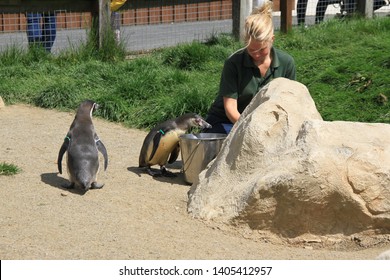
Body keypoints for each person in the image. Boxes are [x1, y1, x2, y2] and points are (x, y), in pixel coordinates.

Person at [204, 1, 296, 134]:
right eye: (252, 49)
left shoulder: (287, 63)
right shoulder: (233, 63)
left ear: (272, 40)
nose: (257, 54)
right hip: (228, 122)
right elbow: (230, 107)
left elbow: (289, 103)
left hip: (265, 124)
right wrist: (250, 128)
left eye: (262, 49)